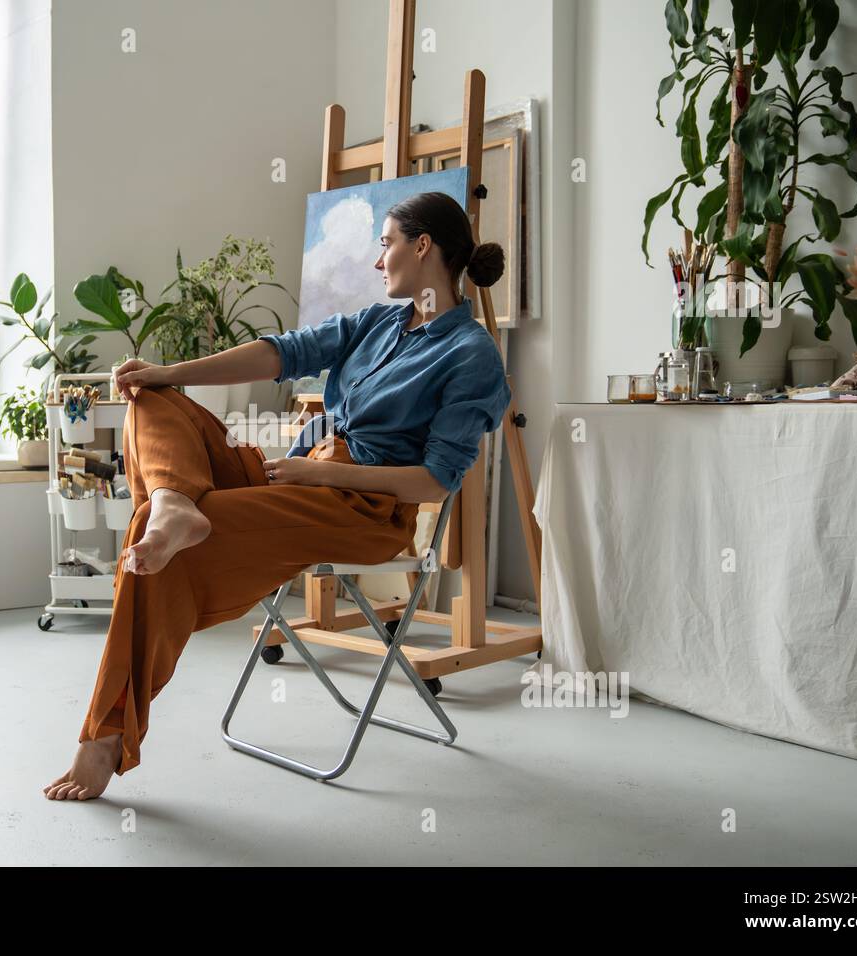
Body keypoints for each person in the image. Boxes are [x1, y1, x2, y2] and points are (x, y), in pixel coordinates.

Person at [43, 190, 511, 800]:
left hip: (363, 510)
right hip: (303, 473)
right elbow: (281, 354)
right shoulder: (378, 323)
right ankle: (174, 503)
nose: (378, 261)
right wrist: (166, 374)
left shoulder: (470, 354)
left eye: (387, 244)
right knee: (149, 398)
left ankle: (104, 735)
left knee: (147, 532)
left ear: (423, 247)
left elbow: (436, 481)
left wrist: (324, 476)